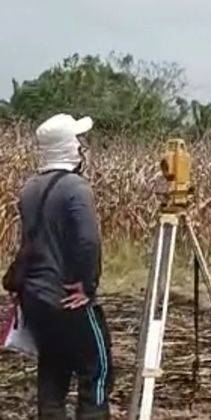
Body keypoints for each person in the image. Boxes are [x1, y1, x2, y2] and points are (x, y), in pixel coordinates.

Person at [17, 114, 112, 419]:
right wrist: (87, 285)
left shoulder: (29, 188)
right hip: (68, 298)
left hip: (35, 299)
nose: (80, 146)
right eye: (76, 141)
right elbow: (88, 241)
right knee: (97, 371)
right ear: (67, 147)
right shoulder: (75, 187)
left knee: (52, 372)